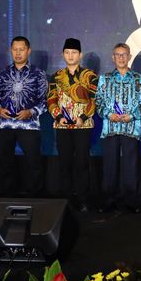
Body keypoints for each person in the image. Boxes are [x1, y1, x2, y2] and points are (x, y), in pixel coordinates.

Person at [0, 36, 48, 197]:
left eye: (22, 49)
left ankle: (35, 196)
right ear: (11, 51)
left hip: (29, 125)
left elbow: (45, 102)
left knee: (33, 162)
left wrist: (31, 112)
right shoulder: (2, 74)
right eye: (15, 49)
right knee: (5, 163)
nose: (18, 53)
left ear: (28, 51)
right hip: (4, 125)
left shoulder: (38, 74)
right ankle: (7, 195)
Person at [46, 38, 98, 212]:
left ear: (80, 55)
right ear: (63, 54)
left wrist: (83, 116)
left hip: (83, 125)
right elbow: (51, 99)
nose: (70, 55)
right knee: (65, 163)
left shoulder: (89, 76)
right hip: (62, 126)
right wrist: (58, 116)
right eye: (67, 52)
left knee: (82, 163)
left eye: (74, 52)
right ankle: (66, 199)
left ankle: (83, 199)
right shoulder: (57, 76)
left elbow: (94, 100)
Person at [94, 43, 141, 213]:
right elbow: (99, 102)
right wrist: (109, 114)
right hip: (110, 127)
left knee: (130, 167)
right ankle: (109, 201)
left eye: (124, 54)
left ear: (129, 56)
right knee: (110, 166)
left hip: (131, 127)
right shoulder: (105, 78)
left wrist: (132, 115)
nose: (121, 58)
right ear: (113, 57)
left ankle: (132, 202)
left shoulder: (138, 79)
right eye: (118, 54)